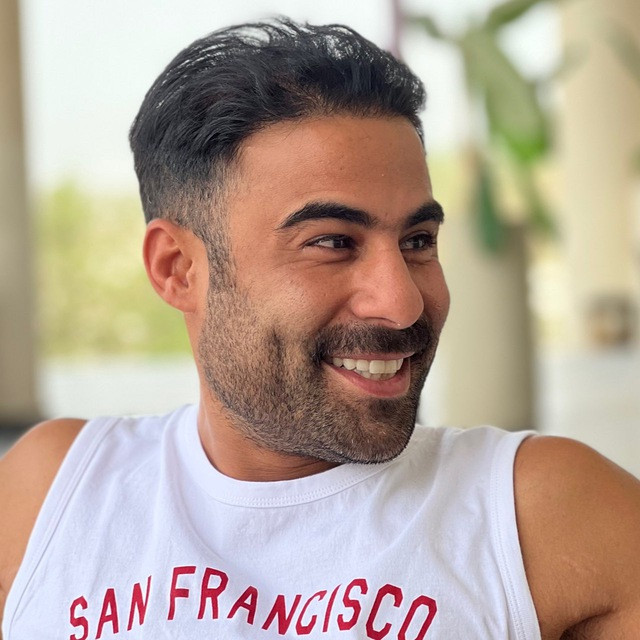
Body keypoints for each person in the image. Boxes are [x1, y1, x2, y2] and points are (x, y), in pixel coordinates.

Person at [0, 18, 639, 640]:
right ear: (178, 269)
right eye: (333, 242)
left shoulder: (541, 515)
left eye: (418, 240)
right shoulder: (54, 492)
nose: (402, 304)